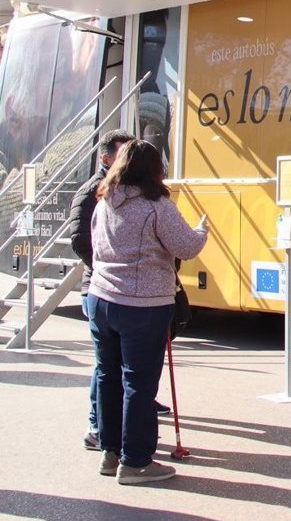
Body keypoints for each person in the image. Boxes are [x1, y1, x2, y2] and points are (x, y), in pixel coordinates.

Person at [87, 139, 207, 485]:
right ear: (155, 170)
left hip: (101, 298)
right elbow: (186, 246)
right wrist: (202, 230)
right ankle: (136, 462)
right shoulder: (157, 206)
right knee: (138, 384)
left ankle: (110, 452)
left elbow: (95, 246)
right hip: (143, 305)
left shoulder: (105, 201)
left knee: (108, 376)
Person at [66, 129, 135, 452]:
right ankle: (96, 427)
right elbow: (79, 239)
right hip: (97, 286)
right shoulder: (93, 190)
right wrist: (106, 265)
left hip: (111, 287)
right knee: (105, 365)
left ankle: (119, 421)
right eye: (123, 154)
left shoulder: (124, 188)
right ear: (106, 158)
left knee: (118, 363)